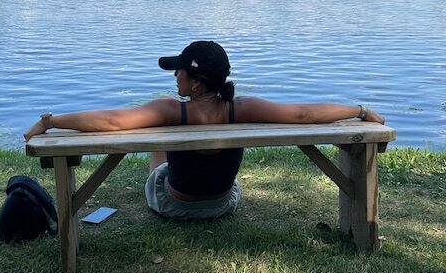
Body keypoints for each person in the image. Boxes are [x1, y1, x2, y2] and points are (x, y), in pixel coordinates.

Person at [24, 40, 385, 220]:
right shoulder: (241, 107)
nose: (175, 75)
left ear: (195, 81)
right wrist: (360, 109)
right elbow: (306, 113)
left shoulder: (170, 109)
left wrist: (52, 120)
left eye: (179, 71)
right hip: (222, 204)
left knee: (158, 144)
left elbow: (112, 121)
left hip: (172, 205)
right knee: (170, 139)